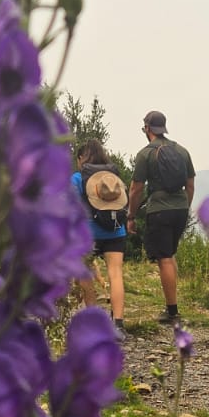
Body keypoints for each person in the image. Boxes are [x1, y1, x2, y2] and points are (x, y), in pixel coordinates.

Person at [128, 110, 195, 325]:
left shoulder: (145, 154)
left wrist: (130, 215)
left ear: (147, 129)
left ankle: (172, 312)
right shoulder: (182, 151)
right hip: (181, 208)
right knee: (171, 253)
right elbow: (190, 185)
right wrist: (185, 206)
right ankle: (172, 302)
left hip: (159, 209)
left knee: (164, 257)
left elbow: (136, 189)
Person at [72, 137, 128, 334]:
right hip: (116, 230)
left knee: (85, 275)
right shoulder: (113, 176)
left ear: (82, 159)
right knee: (115, 274)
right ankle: (118, 324)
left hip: (88, 234)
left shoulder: (78, 178)